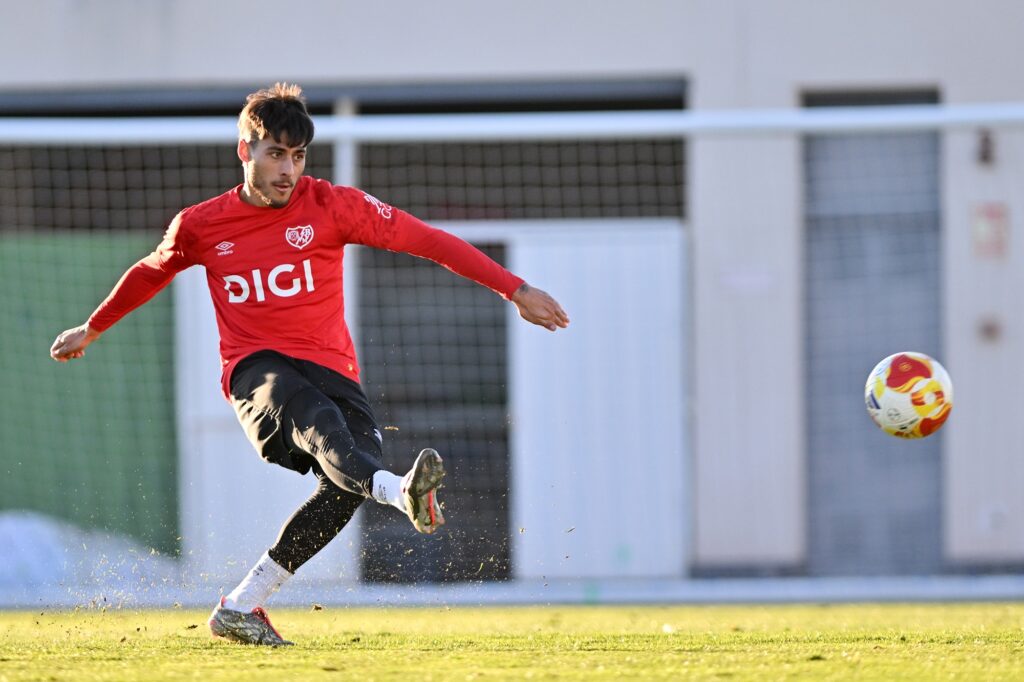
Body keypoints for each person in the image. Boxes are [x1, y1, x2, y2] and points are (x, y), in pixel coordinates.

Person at [49, 83, 569, 647]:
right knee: (317, 420)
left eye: (297, 156)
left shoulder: (333, 206)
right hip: (257, 375)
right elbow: (151, 271)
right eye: (275, 153)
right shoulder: (201, 225)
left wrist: (513, 288)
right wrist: (91, 328)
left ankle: (240, 606)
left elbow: (429, 241)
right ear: (244, 151)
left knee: (346, 484)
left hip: (334, 370)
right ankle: (400, 494)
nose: (288, 169)